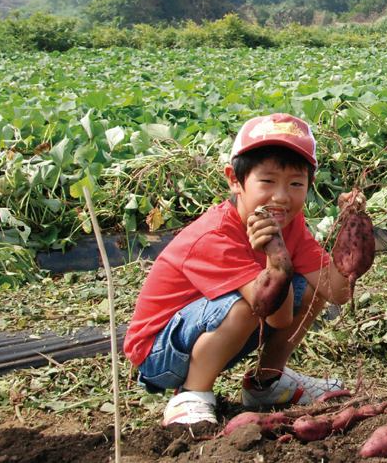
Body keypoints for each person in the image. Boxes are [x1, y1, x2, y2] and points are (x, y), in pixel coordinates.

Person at [124, 113, 362, 426]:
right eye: (268, 181)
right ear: (235, 180)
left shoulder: (291, 224)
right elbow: (273, 313)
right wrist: (277, 257)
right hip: (160, 354)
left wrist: (352, 225)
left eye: (295, 183)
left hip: (214, 336)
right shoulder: (215, 235)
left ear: (310, 185)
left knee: (309, 288)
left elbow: (337, 291)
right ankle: (191, 395)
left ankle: (267, 383)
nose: (281, 196)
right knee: (248, 304)